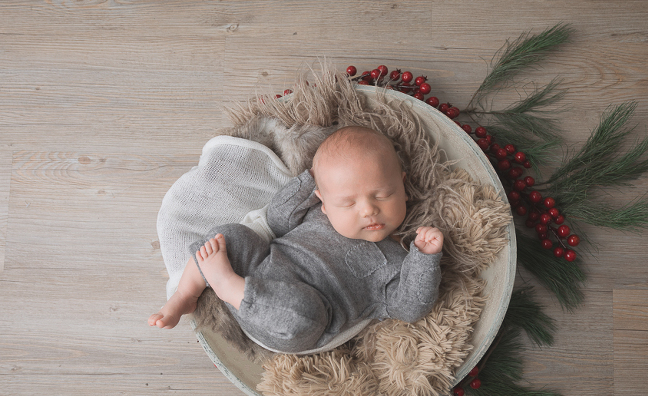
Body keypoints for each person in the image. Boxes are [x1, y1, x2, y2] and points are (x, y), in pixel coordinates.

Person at [147, 126, 444, 353]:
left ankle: (226, 286)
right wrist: (306, 181)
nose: (368, 210)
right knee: (231, 236)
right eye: (347, 202)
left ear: (403, 187)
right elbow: (277, 219)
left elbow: (409, 307)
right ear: (323, 202)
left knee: (303, 313)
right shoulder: (317, 213)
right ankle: (186, 294)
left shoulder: (396, 261)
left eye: (382, 195)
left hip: (294, 322)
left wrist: (424, 259)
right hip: (262, 267)